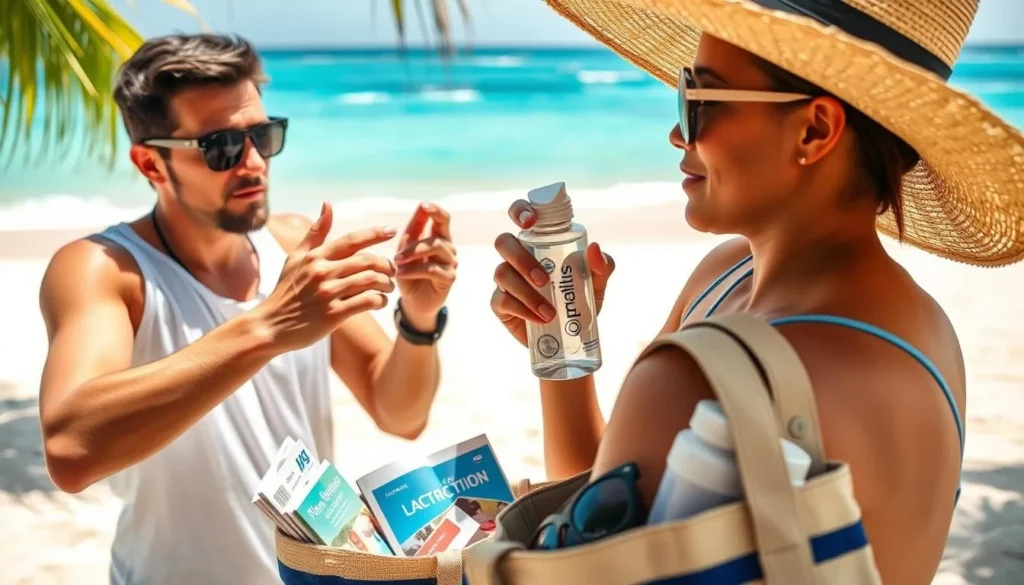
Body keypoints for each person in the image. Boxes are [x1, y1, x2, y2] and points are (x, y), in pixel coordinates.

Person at [490, 0, 1024, 583]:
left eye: (702, 102)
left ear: (814, 129)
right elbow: (609, 496)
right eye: (683, 92)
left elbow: (594, 540)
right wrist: (564, 345)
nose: (676, 132)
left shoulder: (703, 368)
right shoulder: (926, 329)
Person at [36, 33, 457, 585]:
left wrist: (419, 322)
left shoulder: (292, 245)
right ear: (151, 164)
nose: (255, 162)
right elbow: (70, 448)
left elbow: (400, 413)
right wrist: (268, 326)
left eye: (262, 135)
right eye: (221, 146)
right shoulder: (105, 268)